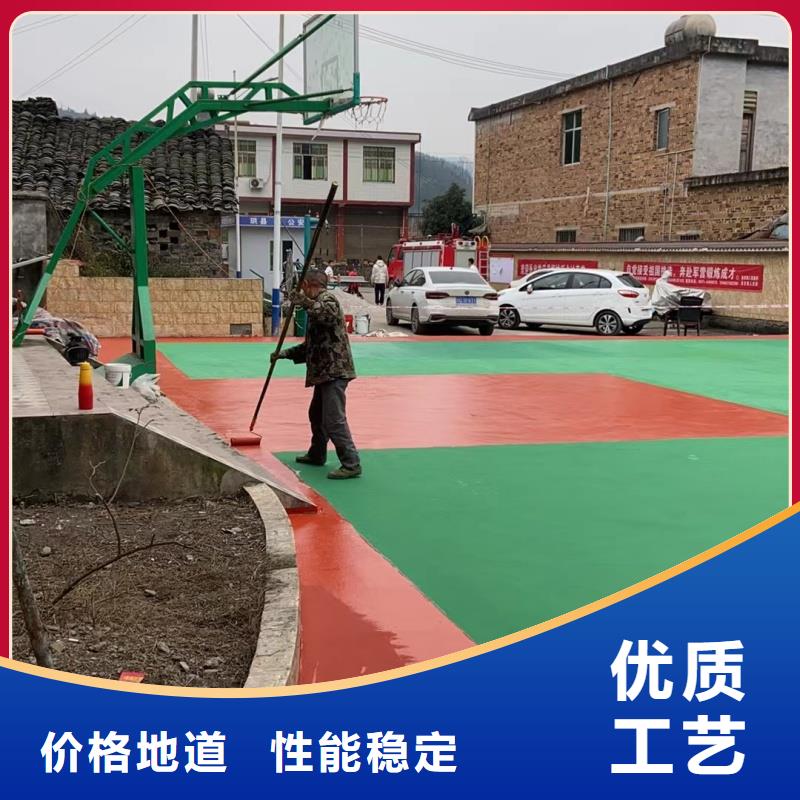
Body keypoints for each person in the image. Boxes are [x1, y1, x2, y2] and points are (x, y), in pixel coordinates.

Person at [272, 268, 361, 480]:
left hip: (335, 371)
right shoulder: (316, 304)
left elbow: (325, 314)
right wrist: (284, 354)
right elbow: (310, 346)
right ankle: (317, 453)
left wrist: (303, 301)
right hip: (324, 373)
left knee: (333, 419)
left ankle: (351, 463)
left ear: (309, 285)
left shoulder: (327, 300)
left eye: (304, 287)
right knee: (317, 415)